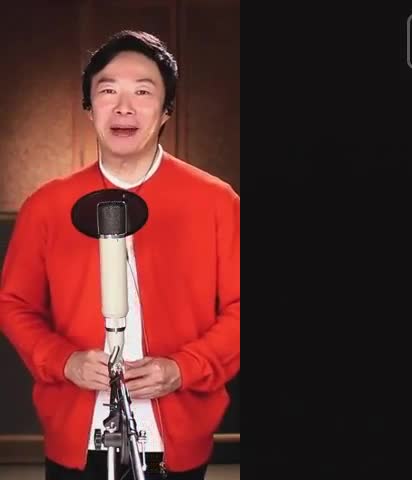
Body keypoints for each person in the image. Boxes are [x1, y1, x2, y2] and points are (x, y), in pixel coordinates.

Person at [0, 30, 240, 480]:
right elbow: (15, 304)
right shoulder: (47, 205)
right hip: (77, 436)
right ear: (89, 108)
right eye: (108, 91)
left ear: (167, 109)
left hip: (176, 438)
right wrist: (64, 360)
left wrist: (183, 369)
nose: (123, 107)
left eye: (143, 92)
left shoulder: (216, 201)